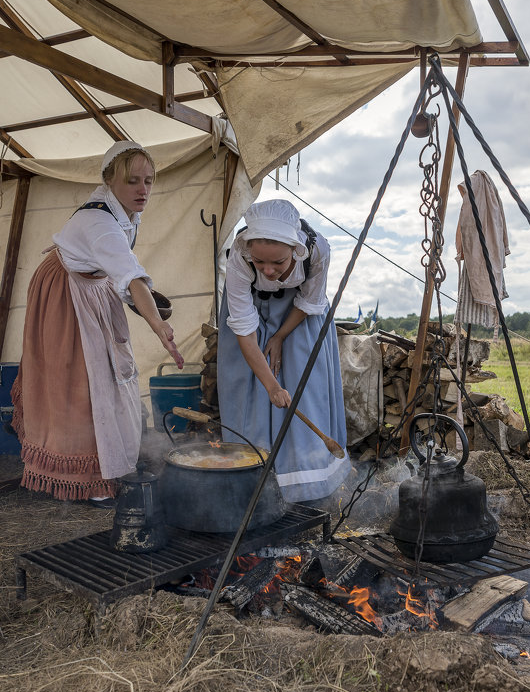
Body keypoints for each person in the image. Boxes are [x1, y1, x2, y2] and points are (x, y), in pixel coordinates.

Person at [11, 140, 183, 507]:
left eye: (149, 181)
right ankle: (84, 476)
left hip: (94, 289)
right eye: (133, 181)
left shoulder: (124, 212)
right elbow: (131, 275)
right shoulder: (98, 221)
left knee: (109, 375)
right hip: (64, 295)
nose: (143, 190)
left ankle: (110, 464)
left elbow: (124, 272)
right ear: (109, 180)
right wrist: (159, 327)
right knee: (79, 382)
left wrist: (143, 302)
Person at [217, 198, 351, 503]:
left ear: (295, 249)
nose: (268, 270)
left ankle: (307, 482)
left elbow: (309, 301)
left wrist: (279, 336)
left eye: (277, 263)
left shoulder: (318, 251)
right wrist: (272, 386)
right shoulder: (240, 256)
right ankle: (254, 483)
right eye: (260, 262)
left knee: (305, 384)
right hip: (250, 312)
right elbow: (245, 332)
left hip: (298, 313)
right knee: (246, 387)